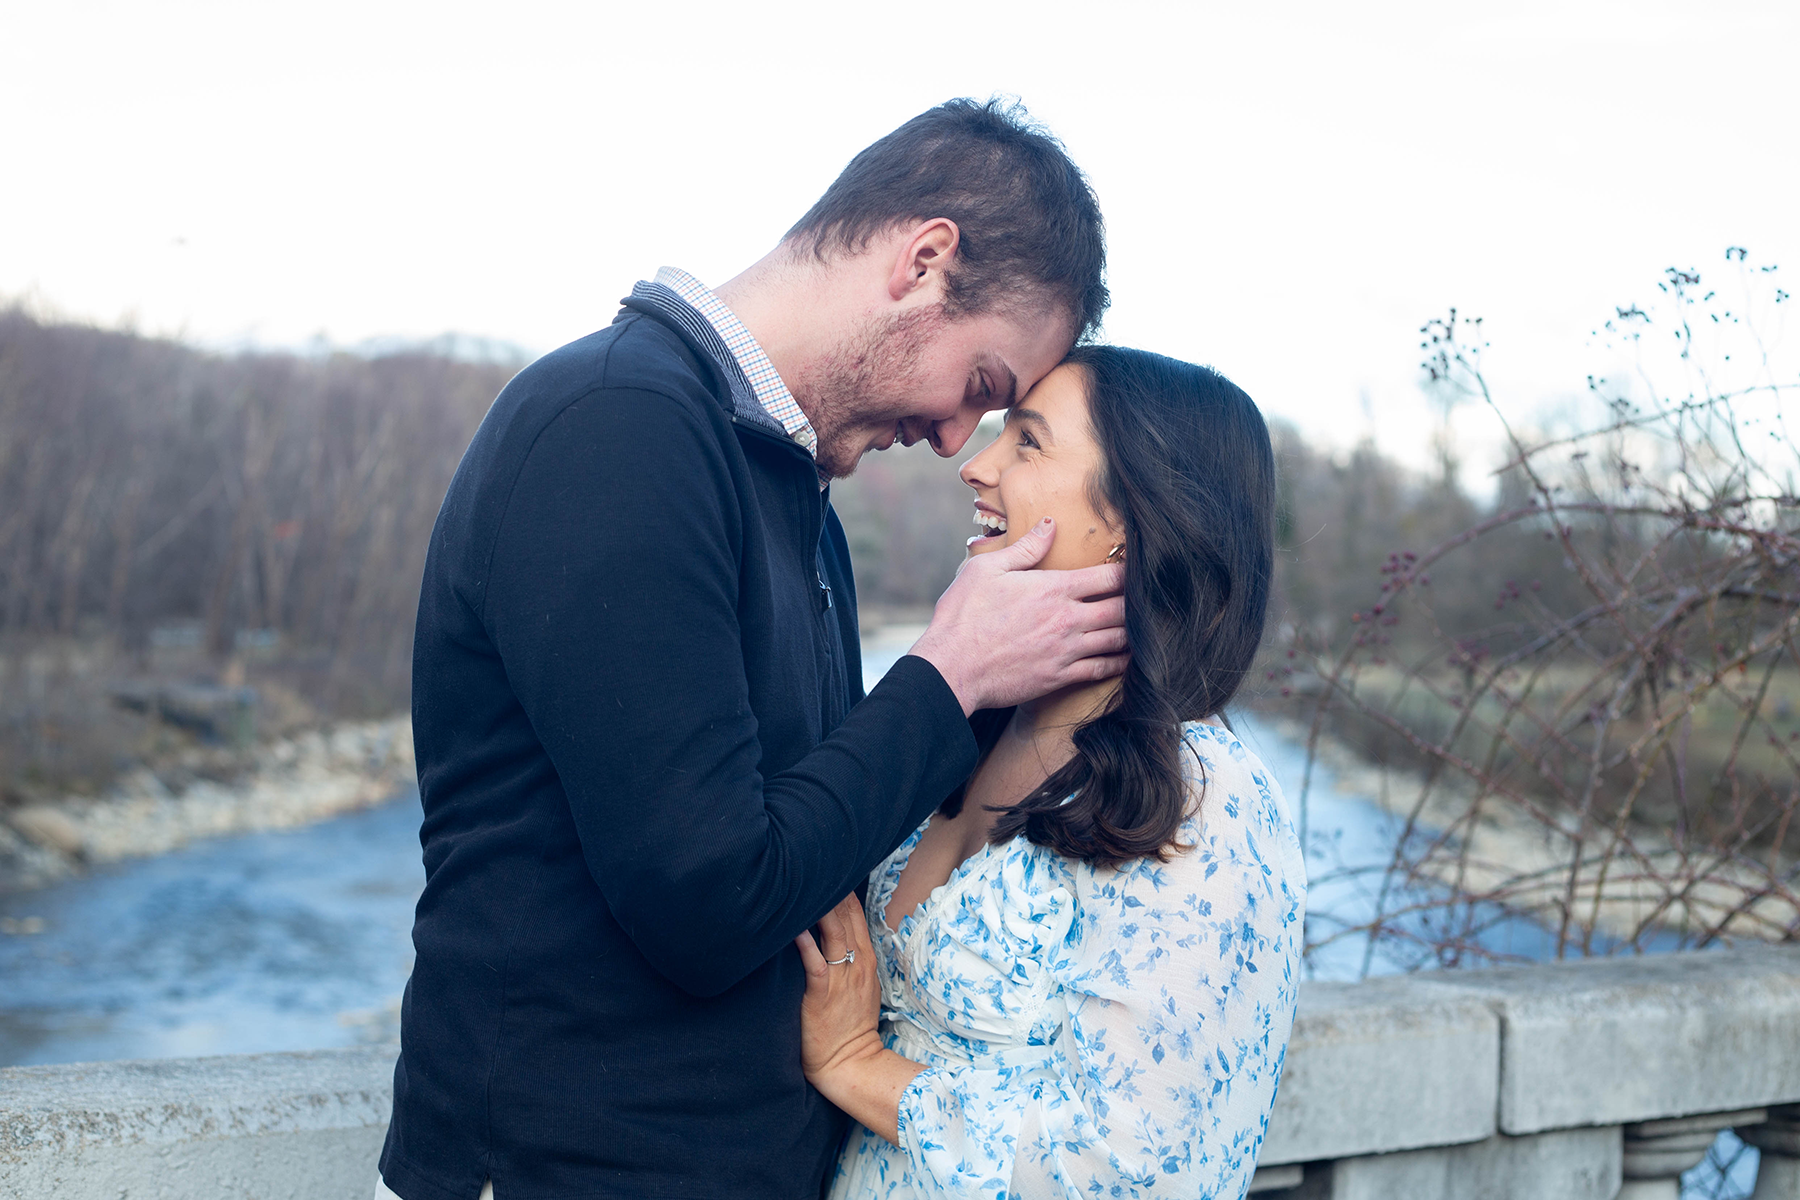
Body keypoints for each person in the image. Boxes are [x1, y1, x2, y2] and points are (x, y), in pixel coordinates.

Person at [378, 100, 1126, 1200]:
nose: (951, 440)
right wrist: (950, 674)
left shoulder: (792, 491)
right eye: (982, 386)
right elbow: (708, 904)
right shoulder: (616, 430)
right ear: (924, 262)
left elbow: (805, 849)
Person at [796, 346, 1307, 1199]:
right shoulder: (967, 726)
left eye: (1027, 443)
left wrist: (860, 1067)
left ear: (1134, 518)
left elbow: (1139, 1172)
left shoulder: (1204, 798)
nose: (977, 466)